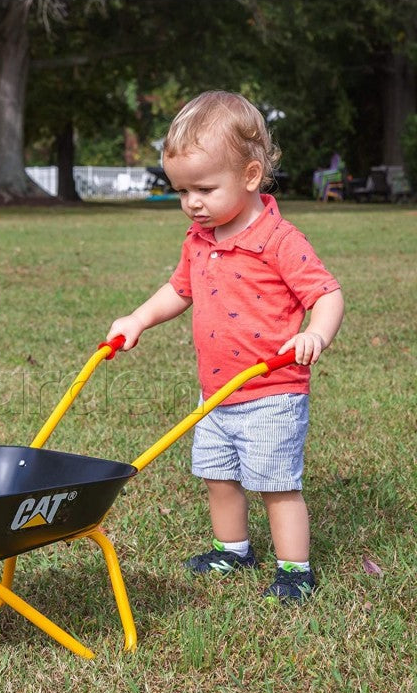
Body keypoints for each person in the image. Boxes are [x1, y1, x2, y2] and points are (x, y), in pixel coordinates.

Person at [107, 90, 344, 603]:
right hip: (214, 393)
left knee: (276, 484)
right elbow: (179, 290)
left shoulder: (279, 239)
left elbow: (326, 294)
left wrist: (314, 333)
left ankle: (295, 569)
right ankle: (233, 549)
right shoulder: (200, 239)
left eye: (205, 189)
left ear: (251, 175)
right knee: (218, 476)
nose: (191, 203)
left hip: (270, 391)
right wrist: (138, 319)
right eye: (181, 191)